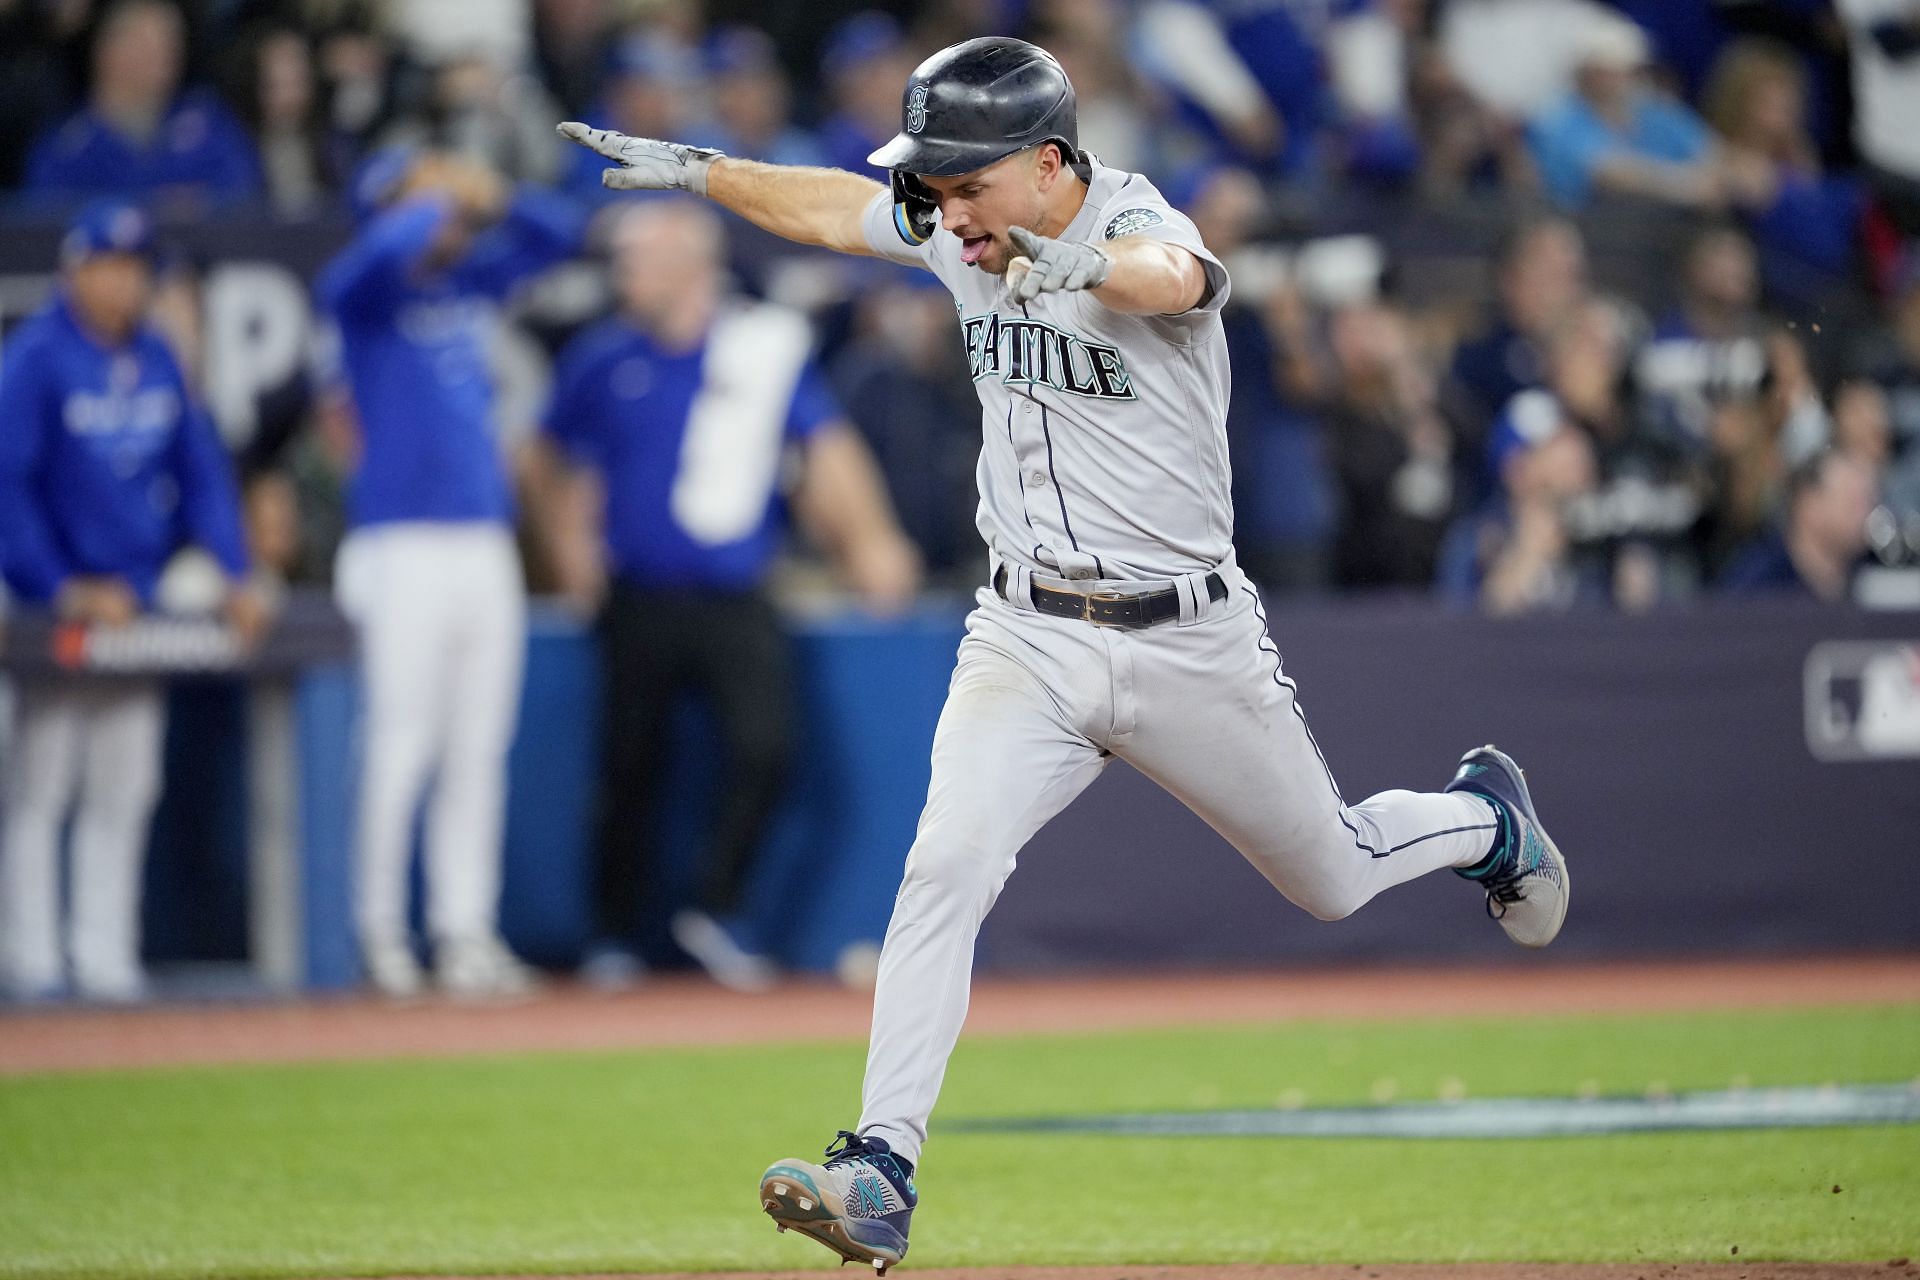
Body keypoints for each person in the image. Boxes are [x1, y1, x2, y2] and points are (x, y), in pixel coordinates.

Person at [561, 35, 1570, 1274]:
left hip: (1188, 638)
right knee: (945, 861)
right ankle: (880, 1169)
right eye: (933, 186)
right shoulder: (965, 221)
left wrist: (1080, 261)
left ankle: (1484, 820)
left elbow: (1179, 279)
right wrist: (708, 171)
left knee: (1335, 873)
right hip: (1027, 634)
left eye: (965, 184)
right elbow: (835, 207)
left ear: (1048, 163)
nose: (943, 211)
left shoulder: (1142, 222)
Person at [531, 201, 919, 992]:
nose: (622, 276)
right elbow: (547, 456)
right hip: (637, 595)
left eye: (636, 259)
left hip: (736, 591)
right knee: (627, 770)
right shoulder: (604, 358)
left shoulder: (757, 352)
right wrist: (567, 548)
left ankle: (716, 906)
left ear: (686, 265)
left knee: (766, 748)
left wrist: (873, 540)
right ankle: (613, 934)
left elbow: (827, 447)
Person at [317, 149, 583, 1000]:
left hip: (480, 541)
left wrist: (495, 191)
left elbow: (559, 232)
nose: (444, 216)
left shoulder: (468, 284)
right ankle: (381, 934)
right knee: (401, 744)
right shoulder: (368, 294)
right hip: (401, 542)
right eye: (418, 201)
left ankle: (464, 932)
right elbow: (364, 262)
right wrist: (431, 199)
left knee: (477, 747)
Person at [0, 200, 266, 1003]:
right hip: (53, 604)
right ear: (75, 270)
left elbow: (202, 472)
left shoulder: (155, 355)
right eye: (111, 266)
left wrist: (235, 568)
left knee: (126, 782)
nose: (126, 283)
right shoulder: (37, 356)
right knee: (44, 782)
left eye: (136, 269)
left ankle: (106, 957)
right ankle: (36, 959)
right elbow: (8, 488)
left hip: (137, 597)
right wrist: (59, 586)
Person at [24, 0, 262, 205]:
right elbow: (46, 226)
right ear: (108, 52)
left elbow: (242, 198)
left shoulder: (208, 123)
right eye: (148, 45)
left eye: (171, 44)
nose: (165, 57)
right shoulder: (69, 146)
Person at [1719, 448, 1879, 600]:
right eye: (1853, 503)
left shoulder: (1875, 576)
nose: (1866, 515)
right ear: (1808, 504)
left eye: (1869, 503)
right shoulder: (1756, 586)